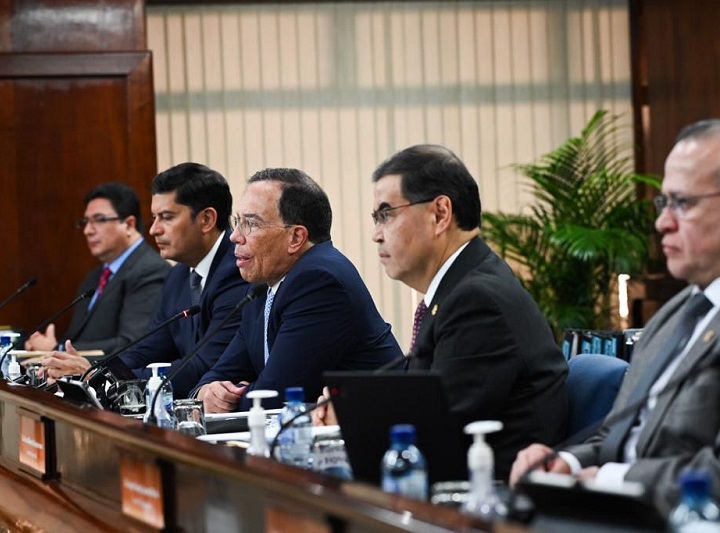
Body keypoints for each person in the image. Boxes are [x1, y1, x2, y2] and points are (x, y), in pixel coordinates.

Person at [314, 144, 569, 481]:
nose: (376, 235)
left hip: (493, 496)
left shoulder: (477, 301)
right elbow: (423, 403)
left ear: (439, 214)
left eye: (386, 214)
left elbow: (437, 432)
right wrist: (353, 407)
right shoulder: (459, 288)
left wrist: (351, 420)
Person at [511, 120, 720, 515]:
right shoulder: (674, 316)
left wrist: (611, 479)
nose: (662, 222)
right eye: (664, 203)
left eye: (683, 203)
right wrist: (566, 463)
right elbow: (618, 436)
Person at [192, 168, 402, 412]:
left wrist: (227, 399)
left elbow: (276, 396)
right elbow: (222, 372)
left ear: (295, 237)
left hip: (382, 426)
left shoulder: (319, 281)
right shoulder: (262, 286)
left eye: (251, 224)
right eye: (237, 222)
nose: (234, 236)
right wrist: (206, 392)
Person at [33, 164, 249, 397]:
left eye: (166, 217)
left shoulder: (237, 271)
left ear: (206, 219)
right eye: (154, 218)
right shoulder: (178, 275)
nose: (154, 230)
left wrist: (99, 379)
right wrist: (95, 373)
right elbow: (147, 349)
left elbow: (202, 366)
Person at [24, 182, 170, 355]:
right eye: (85, 222)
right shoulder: (94, 277)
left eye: (99, 220)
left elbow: (132, 344)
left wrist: (58, 350)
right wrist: (44, 348)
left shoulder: (150, 271)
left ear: (129, 225)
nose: (87, 230)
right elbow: (77, 338)